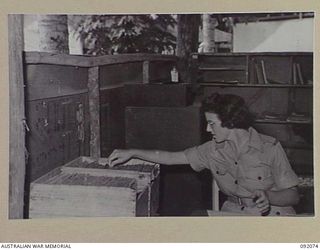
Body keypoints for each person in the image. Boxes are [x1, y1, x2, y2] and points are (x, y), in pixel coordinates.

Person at [108, 93, 300, 216]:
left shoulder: (270, 147)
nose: (208, 129)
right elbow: (171, 157)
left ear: (230, 122)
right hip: (233, 213)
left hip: (274, 216)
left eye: (212, 123)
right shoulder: (211, 151)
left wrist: (268, 196)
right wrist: (132, 152)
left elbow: (293, 196)